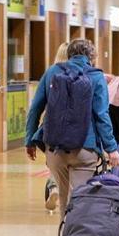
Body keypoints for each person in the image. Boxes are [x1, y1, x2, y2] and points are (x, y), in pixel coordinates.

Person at [26, 39, 119, 220]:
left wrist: (30, 140)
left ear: (69, 54)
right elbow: (102, 115)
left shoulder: (52, 72)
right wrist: (112, 149)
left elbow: (35, 109)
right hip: (85, 148)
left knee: (64, 198)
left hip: (54, 148)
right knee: (79, 200)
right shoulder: (96, 76)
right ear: (91, 57)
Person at [43, 42, 71, 213]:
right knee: (70, 164)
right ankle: (67, 197)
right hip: (74, 127)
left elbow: (41, 103)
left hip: (52, 125)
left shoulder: (51, 73)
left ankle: (54, 188)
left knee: (53, 161)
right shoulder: (80, 74)